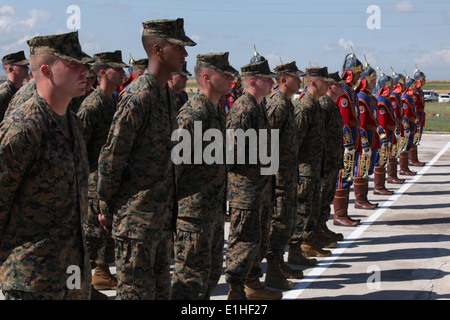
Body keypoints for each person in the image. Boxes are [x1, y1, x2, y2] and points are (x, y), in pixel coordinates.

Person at [96, 18, 196, 300]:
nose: (185, 54)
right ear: (158, 50)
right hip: (136, 222)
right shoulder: (139, 96)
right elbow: (112, 156)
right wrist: (105, 205)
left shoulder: (165, 93)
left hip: (160, 221)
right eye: (179, 47)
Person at [0, 31, 93, 300]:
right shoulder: (24, 127)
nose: (84, 71)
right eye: (73, 64)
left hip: (73, 274)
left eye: (84, 64)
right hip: (33, 279)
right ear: (46, 70)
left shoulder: (72, 123)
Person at [171, 52, 237, 300]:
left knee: (209, 277)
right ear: (207, 78)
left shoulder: (216, 111)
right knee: (189, 283)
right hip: (193, 216)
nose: (232, 78)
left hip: (212, 212)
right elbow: (174, 168)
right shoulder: (192, 115)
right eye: (226, 73)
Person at [225, 58, 281, 300]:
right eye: (267, 78)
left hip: (260, 186)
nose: (272, 82)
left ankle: (252, 283)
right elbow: (230, 152)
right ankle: (236, 291)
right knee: (243, 240)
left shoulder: (259, 105)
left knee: (257, 238)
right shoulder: (243, 109)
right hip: (245, 189)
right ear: (254, 81)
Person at [77, 50, 128, 298]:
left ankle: (100, 273)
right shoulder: (92, 105)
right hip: (93, 182)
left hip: (106, 181)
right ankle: (81, 284)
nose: (123, 73)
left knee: (104, 235)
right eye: (117, 69)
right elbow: (79, 148)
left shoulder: (112, 101)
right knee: (91, 237)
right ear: (102, 72)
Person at [265, 61, 305, 290]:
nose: (300, 81)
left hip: (288, 175)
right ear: (283, 80)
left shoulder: (287, 104)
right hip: (279, 178)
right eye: (295, 77)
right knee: (278, 225)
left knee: (285, 224)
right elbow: (265, 145)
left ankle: (278, 264)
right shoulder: (277, 106)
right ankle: (272, 272)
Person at [289, 66, 334, 261]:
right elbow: (295, 142)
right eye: (325, 82)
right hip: (304, 169)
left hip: (314, 168)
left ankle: (306, 244)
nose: (329, 85)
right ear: (314, 83)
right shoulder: (305, 106)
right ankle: (301, 247)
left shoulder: (314, 104)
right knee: (303, 211)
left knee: (312, 209)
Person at [333, 51, 364, 227]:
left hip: (353, 140)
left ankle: (344, 213)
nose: (359, 76)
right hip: (346, 143)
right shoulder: (344, 91)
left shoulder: (350, 91)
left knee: (348, 176)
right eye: (357, 73)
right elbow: (345, 120)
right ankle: (339, 215)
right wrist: (348, 144)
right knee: (342, 176)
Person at [317, 71, 345, 244]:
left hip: (332, 161)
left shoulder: (332, 104)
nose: (343, 87)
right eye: (339, 85)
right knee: (320, 198)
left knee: (326, 198)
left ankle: (322, 227)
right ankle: (317, 231)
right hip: (324, 161)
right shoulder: (324, 105)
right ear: (330, 87)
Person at [375, 71, 398, 196]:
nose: (392, 88)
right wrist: (384, 138)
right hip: (385, 134)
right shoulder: (382, 101)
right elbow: (382, 122)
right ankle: (378, 186)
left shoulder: (386, 99)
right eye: (390, 86)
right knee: (382, 160)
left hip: (390, 132)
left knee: (385, 159)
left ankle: (381, 185)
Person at [388, 70, 407, 182]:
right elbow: (395, 114)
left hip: (398, 127)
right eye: (402, 83)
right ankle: (391, 175)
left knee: (394, 151)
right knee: (392, 151)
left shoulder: (398, 96)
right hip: (395, 128)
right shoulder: (394, 97)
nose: (405, 85)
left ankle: (393, 175)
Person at [0, 51, 29, 121]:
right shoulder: (5, 94)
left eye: (27, 65)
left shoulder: (24, 90)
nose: (27, 68)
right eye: (22, 66)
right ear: (11, 69)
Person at [399, 75, 419, 176]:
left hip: (412, 125)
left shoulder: (410, 97)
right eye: (414, 86)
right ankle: (403, 168)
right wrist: (406, 129)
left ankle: (405, 167)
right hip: (408, 126)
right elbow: (406, 115)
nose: (416, 88)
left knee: (408, 145)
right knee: (405, 147)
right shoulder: (406, 98)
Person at [410, 67, 426, 166]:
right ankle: (411, 159)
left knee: (417, 138)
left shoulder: (419, 91)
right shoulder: (415, 92)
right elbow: (415, 106)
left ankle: (414, 158)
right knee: (414, 138)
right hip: (417, 117)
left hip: (420, 116)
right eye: (423, 79)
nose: (425, 81)